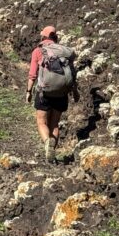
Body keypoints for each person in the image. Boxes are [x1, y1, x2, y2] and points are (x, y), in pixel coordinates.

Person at [25, 26, 78, 162]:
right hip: (61, 93)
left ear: (43, 37)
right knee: (54, 123)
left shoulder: (38, 51)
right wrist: (75, 91)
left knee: (41, 121)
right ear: (55, 37)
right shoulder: (63, 52)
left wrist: (29, 91)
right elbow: (71, 73)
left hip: (44, 92)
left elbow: (32, 74)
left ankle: (48, 143)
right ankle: (52, 150)